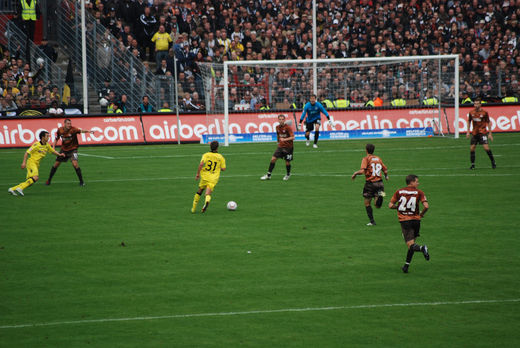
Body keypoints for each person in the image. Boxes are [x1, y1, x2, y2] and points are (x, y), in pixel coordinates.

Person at [389, 174, 430, 273]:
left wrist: (399, 207)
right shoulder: (419, 192)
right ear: (411, 182)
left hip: (405, 221)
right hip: (416, 221)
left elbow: (390, 205)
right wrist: (421, 214)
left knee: (411, 245)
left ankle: (422, 248)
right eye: (417, 181)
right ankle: (406, 266)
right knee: (412, 244)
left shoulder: (399, 191)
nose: (418, 183)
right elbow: (426, 206)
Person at [8, 130, 65, 196]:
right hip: (31, 163)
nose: (48, 137)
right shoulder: (36, 145)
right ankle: (20, 188)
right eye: (47, 136)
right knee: (36, 178)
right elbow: (27, 153)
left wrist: (60, 155)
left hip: (36, 164)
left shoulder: (47, 145)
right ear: (43, 137)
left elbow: (53, 151)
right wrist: (24, 163)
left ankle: (12, 189)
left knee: (30, 182)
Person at [45, 118, 94, 186]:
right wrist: (53, 147)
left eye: (70, 123)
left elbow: (81, 131)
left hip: (73, 149)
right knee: (56, 164)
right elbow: (56, 139)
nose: (69, 125)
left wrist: (89, 131)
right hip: (64, 150)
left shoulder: (73, 129)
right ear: (64, 124)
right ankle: (49, 180)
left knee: (75, 164)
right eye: (68, 123)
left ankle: (81, 182)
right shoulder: (60, 130)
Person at [351, 143, 388, 226]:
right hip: (380, 183)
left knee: (367, 203)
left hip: (370, 184)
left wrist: (355, 173)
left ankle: (372, 221)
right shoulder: (378, 158)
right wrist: (386, 176)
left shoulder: (366, 159)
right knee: (378, 205)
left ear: (366, 150)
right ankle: (380, 196)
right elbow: (385, 170)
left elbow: (362, 171)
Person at [191, 140, 226, 213]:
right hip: (213, 177)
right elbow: (223, 169)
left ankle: (193, 208)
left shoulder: (206, 155)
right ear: (217, 148)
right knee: (208, 193)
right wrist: (218, 166)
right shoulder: (220, 157)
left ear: (210, 147)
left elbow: (201, 164)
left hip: (205, 176)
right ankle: (206, 201)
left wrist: (197, 174)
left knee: (200, 190)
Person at [260, 114, 295, 181]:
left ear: (284, 120)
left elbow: (293, 137)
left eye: (282, 119)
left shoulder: (288, 127)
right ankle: (268, 175)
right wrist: (278, 142)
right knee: (273, 159)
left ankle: (288, 174)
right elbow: (278, 135)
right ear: (278, 120)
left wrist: (284, 139)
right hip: (280, 147)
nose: (281, 121)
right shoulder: (277, 127)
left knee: (287, 162)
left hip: (288, 147)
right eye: (280, 119)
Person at [466, 97, 496, 169]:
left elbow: (488, 122)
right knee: (472, 148)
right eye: (474, 103)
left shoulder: (484, 113)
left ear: (480, 104)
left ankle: (493, 161)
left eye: (477, 104)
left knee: (486, 148)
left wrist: (490, 133)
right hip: (474, 133)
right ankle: (472, 164)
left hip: (482, 132)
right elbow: (469, 121)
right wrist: (468, 132)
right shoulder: (471, 112)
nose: (475, 105)